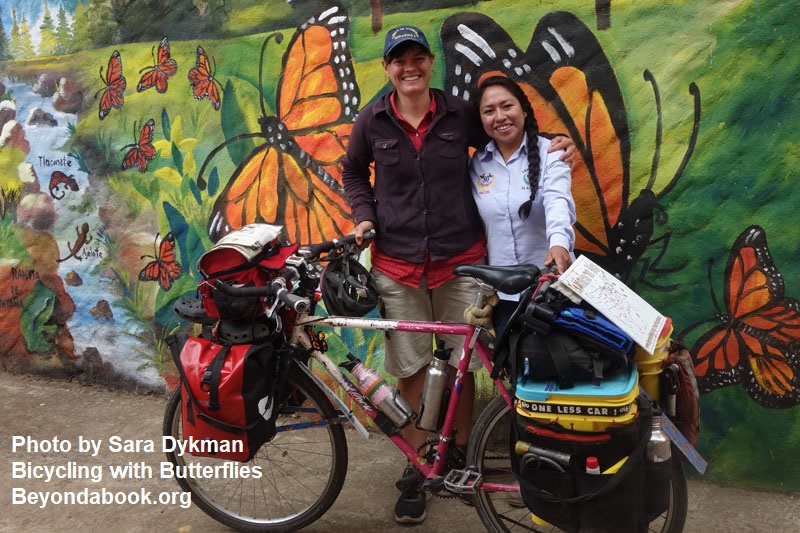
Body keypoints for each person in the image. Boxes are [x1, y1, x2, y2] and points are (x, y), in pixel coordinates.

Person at [341, 25, 574, 524]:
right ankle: (422, 464)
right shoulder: (372, 121)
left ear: (430, 65)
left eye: (417, 58)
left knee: (461, 366)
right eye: (398, 60)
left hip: (459, 262)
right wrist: (364, 215)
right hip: (397, 265)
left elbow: (507, 135)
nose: (409, 68)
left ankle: (463, 459)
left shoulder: (459, 114)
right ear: (387, 69)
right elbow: (353, 171)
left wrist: (557, 145)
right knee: (410, 370)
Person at [469, 75, 576, 335]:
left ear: (524, 110)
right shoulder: (477, 164)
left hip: (552, 289)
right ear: (481, 120)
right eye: (489, 111)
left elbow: (557, 200)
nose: (500, 116)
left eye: (507, 106)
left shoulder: (552, 153)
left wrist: (559, 244)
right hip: (505, 299)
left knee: (560, 370)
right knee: (515, 375)